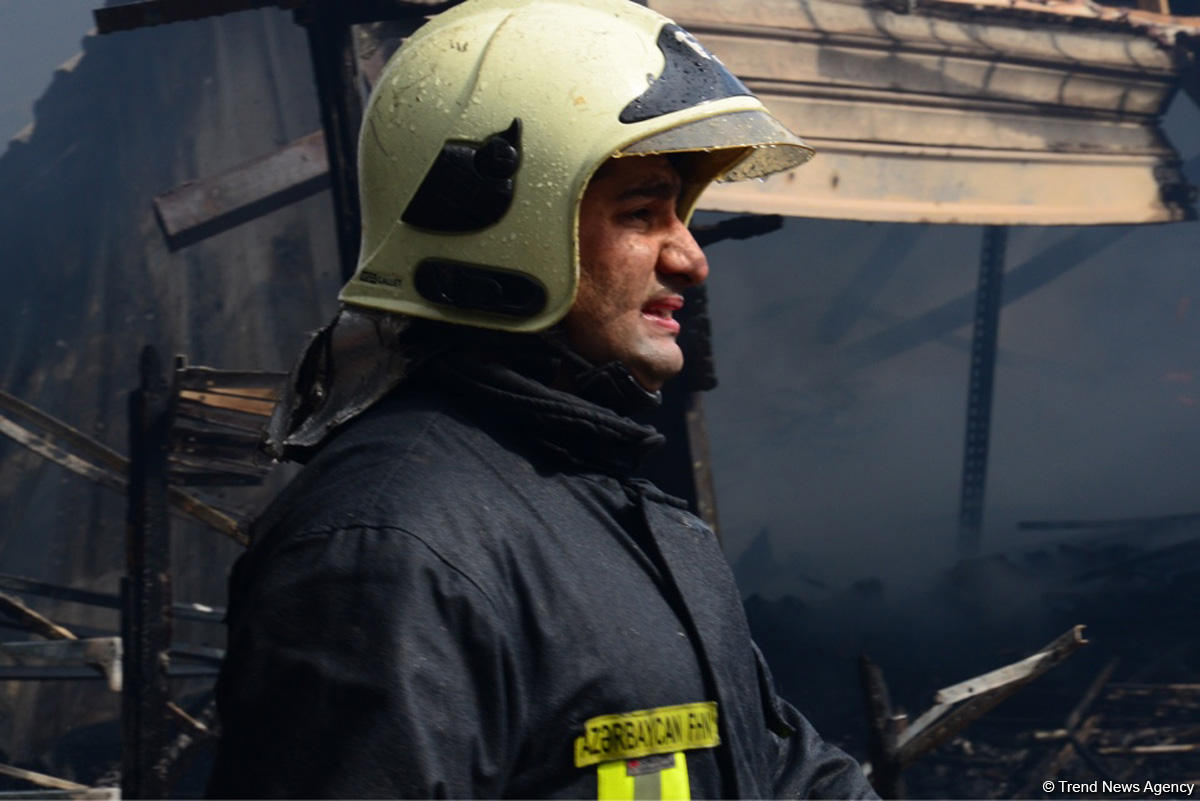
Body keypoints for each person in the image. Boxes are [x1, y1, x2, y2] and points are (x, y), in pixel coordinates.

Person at [207, 0, 878, 798]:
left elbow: (780, 774)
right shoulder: (388, 550)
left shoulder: (621, 511)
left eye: (682, 213)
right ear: (506, 227)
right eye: (641, 212)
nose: (692, 257)